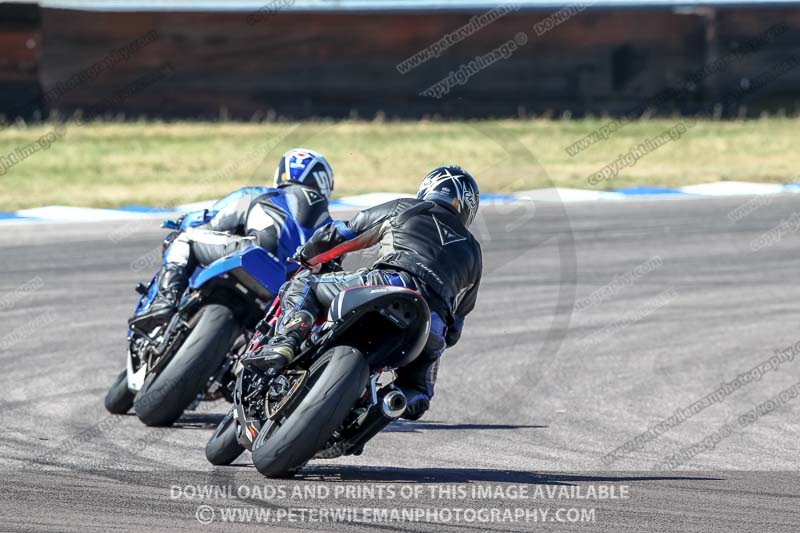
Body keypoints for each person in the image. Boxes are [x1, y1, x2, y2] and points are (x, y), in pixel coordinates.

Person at [245, 165, 482, 421]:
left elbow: (346, 232)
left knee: (305, 285)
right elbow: (456, 326)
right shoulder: (474, 251)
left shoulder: (407, 208)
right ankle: (382, 406)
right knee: (419, 392)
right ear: (468, 208)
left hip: (390, 282)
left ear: (428, 188)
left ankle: (287, 340)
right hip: (432, 324)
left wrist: (307, 254)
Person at [130, 148, 335, 330]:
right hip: (287, 290)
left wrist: (186, 221)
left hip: (251, 253)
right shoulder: (330, 227)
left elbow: (212, 219)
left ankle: (165, 300)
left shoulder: (260, 194)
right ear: (325, 183)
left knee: (185, 238)